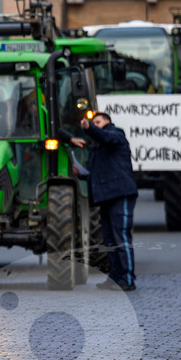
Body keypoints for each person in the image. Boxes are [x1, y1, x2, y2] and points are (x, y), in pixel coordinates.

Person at [69, 111, 138, 291]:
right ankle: (115, 277)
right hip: (107, 196)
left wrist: (89, 127)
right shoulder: (99, 146)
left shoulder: (116, 134)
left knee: (121, 237)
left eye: (98, 122)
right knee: (109, 240)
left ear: (108, 122)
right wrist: (83, 174)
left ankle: (128, 279)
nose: (96, 124)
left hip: (120, 194)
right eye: (94, 122)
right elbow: (99, 174)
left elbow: (105, 136)